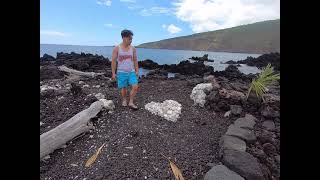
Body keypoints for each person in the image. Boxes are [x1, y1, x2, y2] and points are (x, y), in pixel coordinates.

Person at [111, 29, 139, 110]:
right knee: (124, 88)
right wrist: (113, 73)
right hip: (121, 72)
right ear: (124, 38)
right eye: (129, 38)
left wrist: (137, 70)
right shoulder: (117, 48)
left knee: (135, 86)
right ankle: (124, 99)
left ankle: (131, 101)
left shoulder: (133, 48)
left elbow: (135, 60)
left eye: (131, 39)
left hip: (131, 72)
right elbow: (113, 61)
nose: (131, 40)